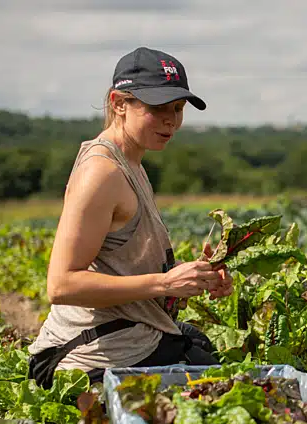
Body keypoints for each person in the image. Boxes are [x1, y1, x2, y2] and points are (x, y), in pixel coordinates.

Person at [27, 47, 233, 389]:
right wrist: (165, 284)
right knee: (207, 385)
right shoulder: (102, 173)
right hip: (83, 359)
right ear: (118, 103)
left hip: (124, 334)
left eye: (178, 109)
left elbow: (121, 266)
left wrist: (195, 277)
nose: (171, 120)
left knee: (198, 350)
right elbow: (61, 285)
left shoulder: (132, 162)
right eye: (157, 108)